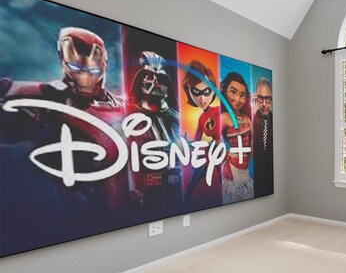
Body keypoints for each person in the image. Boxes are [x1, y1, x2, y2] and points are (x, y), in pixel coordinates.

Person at [0, 27, 127, 211]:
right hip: (76, 204)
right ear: (64, 62)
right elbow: (9, 95)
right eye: (77, 68)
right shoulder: (52, 96)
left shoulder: (122, 105)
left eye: (92, 70)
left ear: (103, 65)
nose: (84, 76)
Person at [127, 51, 181, 211]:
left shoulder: (176, 118)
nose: (155, 82)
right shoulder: (129, 118)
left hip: (175, 188)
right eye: (149, 76)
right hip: (145, 192)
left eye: (160, 78)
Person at [181, 60, 221, 204]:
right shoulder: (201, 118)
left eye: (206, 91)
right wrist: (186, 143)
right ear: (189, 91)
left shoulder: (219, 111)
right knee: (194, 178)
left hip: (223, 153)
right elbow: (196, 141)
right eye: (196, 92)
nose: (202, 99)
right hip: (210, 155)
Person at [220, 71, 254, 203]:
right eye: (233, 92)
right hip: (231, 169)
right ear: (225, 91)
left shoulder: (247, 119)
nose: (238, 99)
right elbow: (213, 145)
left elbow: (252, 148)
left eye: (243, 96)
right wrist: (227, 155)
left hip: (244, 170)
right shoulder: (223, 118)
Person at [252, 77, 274, 197]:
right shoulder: (250, 121)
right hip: (256, 179)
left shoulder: (277, 122)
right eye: (261, 98)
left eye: (267, 99)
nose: (264, 104)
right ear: (256, 98)